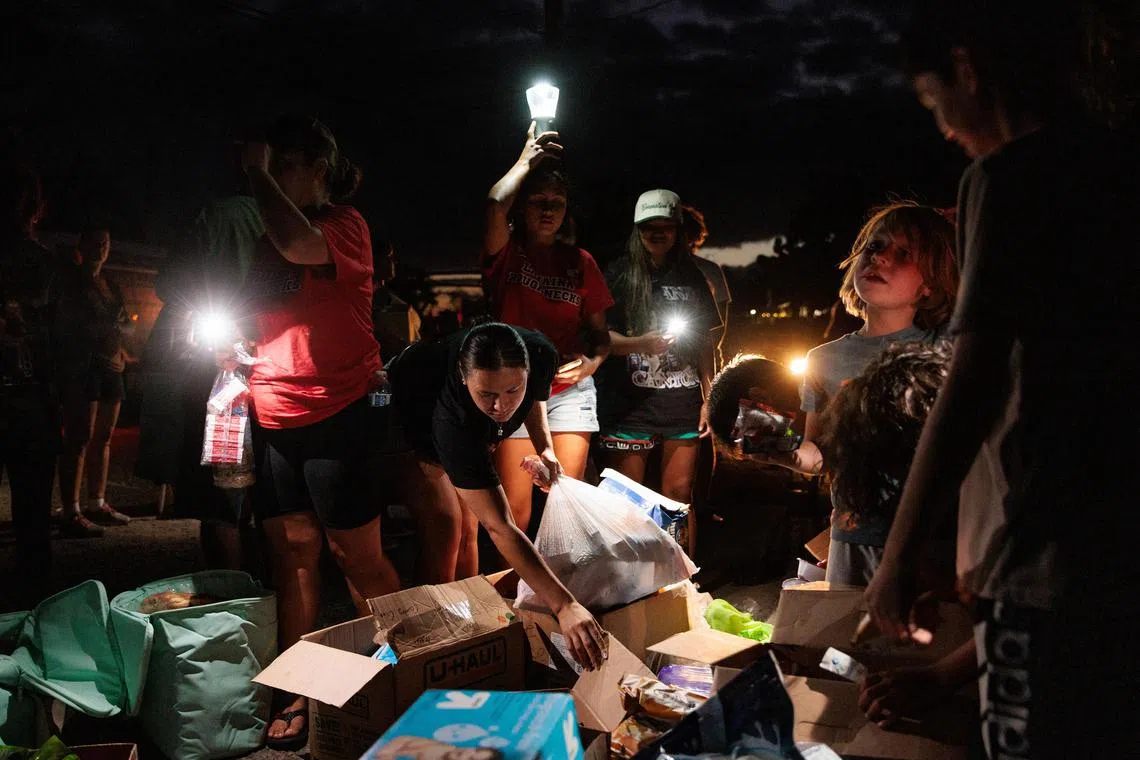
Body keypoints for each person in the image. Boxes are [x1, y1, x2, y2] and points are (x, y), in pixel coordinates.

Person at [864, 3, 1140, 756]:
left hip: (1045, 564)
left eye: (932, 99)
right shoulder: (1117, 169)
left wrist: (898, 558)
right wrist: (955, 669)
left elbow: (976, 380)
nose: (942, 125)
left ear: (968, 69)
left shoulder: (1012, 176)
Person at [234, 115, 399, 749]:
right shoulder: (263, 240)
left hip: (340, 412)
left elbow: (304, 249)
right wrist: (238, 347)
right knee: (293, 553)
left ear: (320, 171)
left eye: (285, 167)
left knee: (354, 556)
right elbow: (261, 310)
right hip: (272, 412)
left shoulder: (343, 226)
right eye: (267, 168)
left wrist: (254, 170)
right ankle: (295, 688)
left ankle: (402, 665)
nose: (272, 179)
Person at [387, 322, 607, 670]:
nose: (501, 406)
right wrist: (565, 606)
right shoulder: (453, 417)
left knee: (469, 526)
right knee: (448, 527)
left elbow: (534, 396)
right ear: (464, 377)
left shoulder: (539, 352)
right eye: (487, 394)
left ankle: (470, 622)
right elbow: (501, 527)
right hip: (402, 420)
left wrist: (545, 448)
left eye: (511, 390)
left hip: (466, 422)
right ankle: (429, 645)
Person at [763, 202, 958, 586]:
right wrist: (770, 445)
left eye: (904, 253)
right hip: (854, 539)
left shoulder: (948, 349)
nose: (880, 257)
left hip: (934, 540)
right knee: (848, 644)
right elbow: (819, 454)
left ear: (930, 284)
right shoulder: (824, 359)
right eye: (874, 246)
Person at [482, 123, 612, 533]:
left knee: (565, 501)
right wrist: (525, 161)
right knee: (515, 513)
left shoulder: (581, 262)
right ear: (523, 207)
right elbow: (493, 205)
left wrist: (592, 363)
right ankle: (511, 592)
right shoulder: (507, 254)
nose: (548, 210)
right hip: (515, 390)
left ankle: (561, 589)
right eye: (538, 201)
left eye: (556, 202)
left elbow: (601, 336)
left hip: (568, 390)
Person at [596, 190, 718, 554]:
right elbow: (597, 338)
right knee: (626, 499)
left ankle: (682, 583)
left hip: (681, 398)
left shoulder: (692, 275)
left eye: (666, 225)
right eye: (650, 226)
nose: (658, 232)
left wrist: (709, 397)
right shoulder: (617, 273)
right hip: (628, 403)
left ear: (678, 229)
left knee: (678, 497)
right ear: (637, 229)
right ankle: (630, 586)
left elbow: (706, 342)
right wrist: (639, 344)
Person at [0, 163, 59, 610]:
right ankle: (35, 599)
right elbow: (62, 338)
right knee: (32, 503)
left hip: (28, 393)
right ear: (35, 208)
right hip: (30, 396)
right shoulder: (44, 263)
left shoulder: (44, 262)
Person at [55, 225, 133, 538]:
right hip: (83, 366)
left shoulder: (110, 284)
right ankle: (70, 510)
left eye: (106, 243)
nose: (101, 248)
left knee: (104, 436)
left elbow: (125, 323)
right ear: (82, 246)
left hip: (111, 366)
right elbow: (68, 324)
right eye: (96, 243)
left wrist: (123, 333)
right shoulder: (71, 282)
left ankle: (96, 502)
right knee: (79, 437)